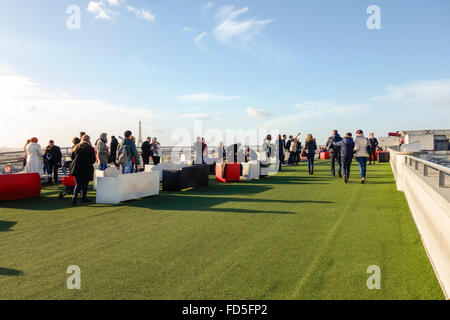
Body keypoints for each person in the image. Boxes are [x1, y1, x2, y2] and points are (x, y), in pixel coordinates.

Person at [70, 135, 96, 205]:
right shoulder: (90, 148)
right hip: (86, 168)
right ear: (88, 140)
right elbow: (93, 160)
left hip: (76, 168)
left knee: (78, 184)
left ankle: (74, 197)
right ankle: (84, 198)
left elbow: (72, 158)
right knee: (85, 184)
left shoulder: (76, 147)